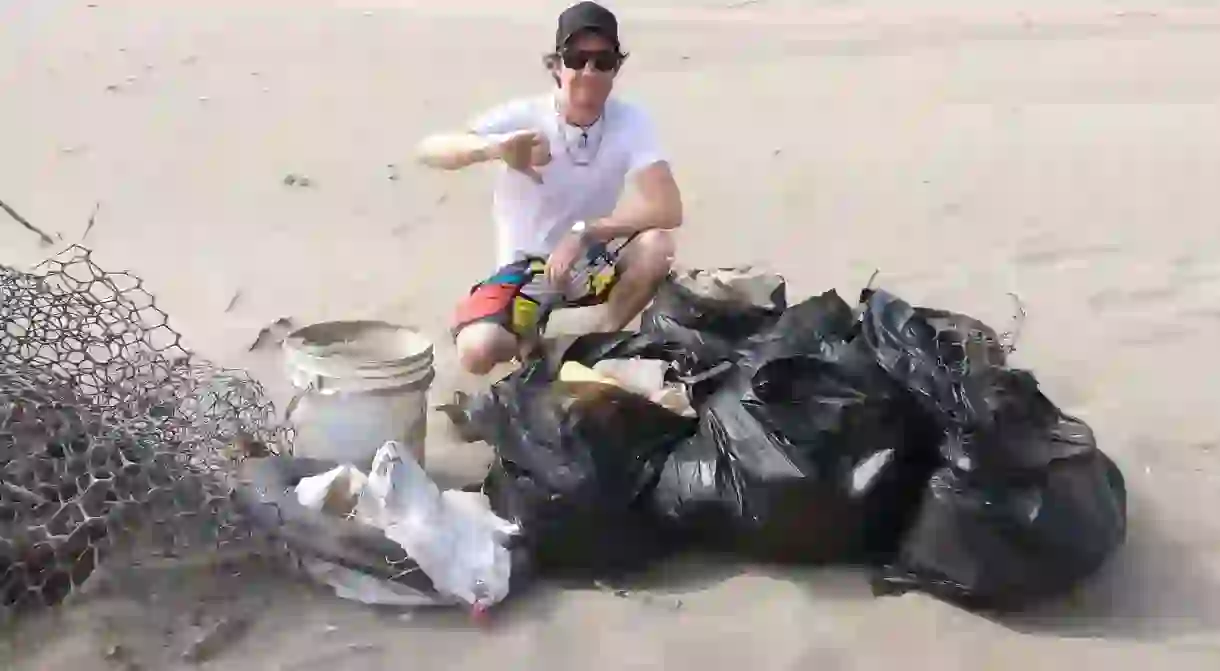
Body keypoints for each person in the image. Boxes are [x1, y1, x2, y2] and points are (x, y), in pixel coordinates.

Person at [416, 1, 682, 375]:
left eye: (602, 61)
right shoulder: (526, 117)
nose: (588, 71)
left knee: (657, 245)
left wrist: (586, 231)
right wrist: (494, 148)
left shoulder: (630, 121)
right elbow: (429, 151)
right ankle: (528, 340)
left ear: (616, 68)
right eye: (576, 58)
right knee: (477, 352)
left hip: (589, 263)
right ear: (556, 66)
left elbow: (668, 208)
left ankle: (594, 346)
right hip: (526, 269)